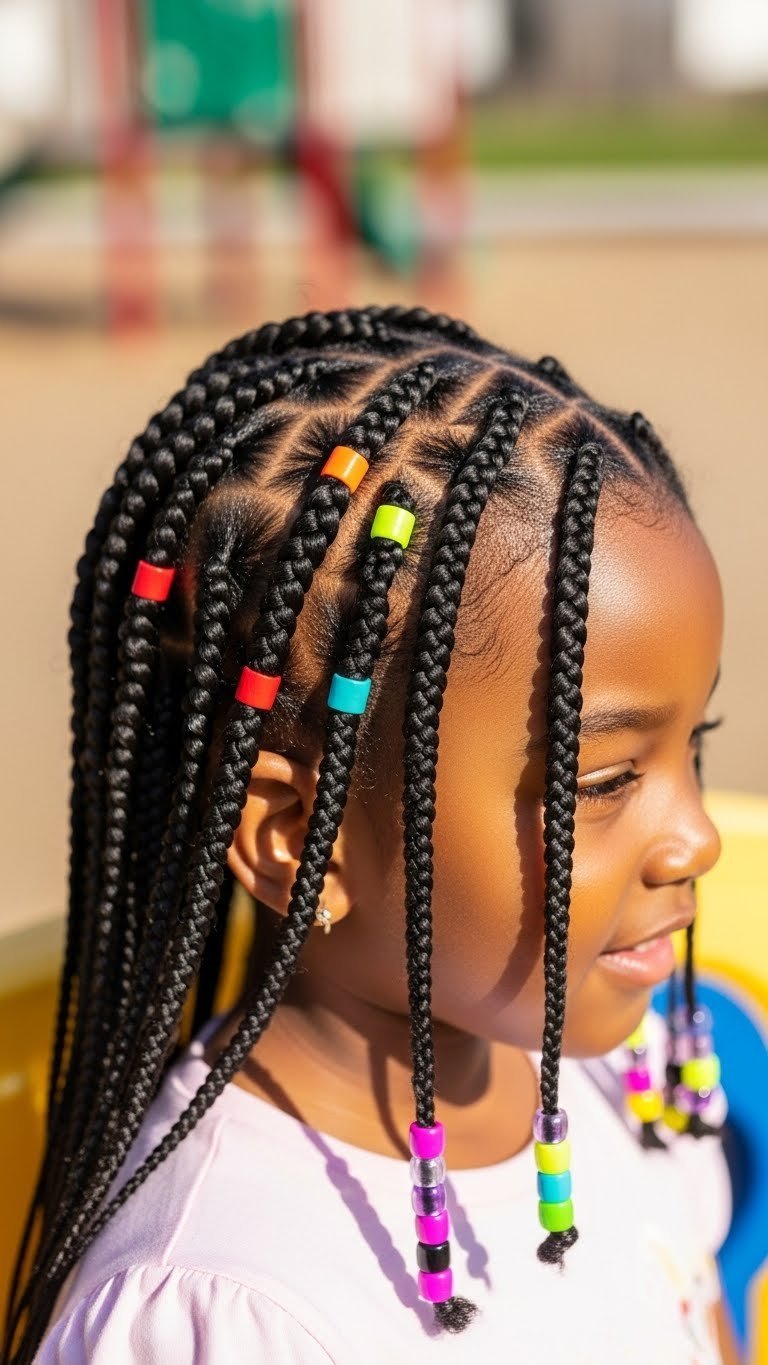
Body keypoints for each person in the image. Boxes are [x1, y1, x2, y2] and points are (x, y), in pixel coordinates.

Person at [4, 306, 739, 1363]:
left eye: (695, 747)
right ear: (299, 835)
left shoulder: (631, 1084)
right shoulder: (228, 1306)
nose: (696, 840)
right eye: (610, 778)